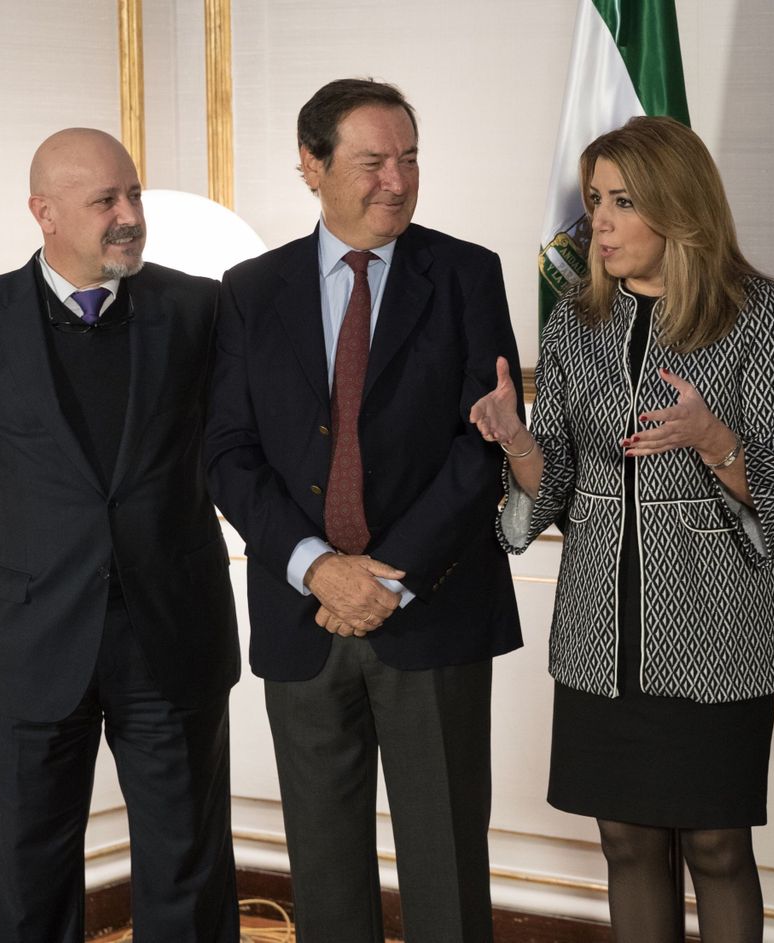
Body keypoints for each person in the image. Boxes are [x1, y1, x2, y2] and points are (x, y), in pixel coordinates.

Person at [468, 115, 774, 941]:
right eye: (595, 201)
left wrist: (710, 437)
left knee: (718, 843)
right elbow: (548, 492)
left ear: (678, 207)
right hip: (597, 631)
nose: (601, 223)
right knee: (624, 837)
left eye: (623, 202)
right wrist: (517, 442)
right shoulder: (575, 322)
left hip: (716, 628)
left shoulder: (755, 313)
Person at [205, 79, 521, 942]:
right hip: (302, 616)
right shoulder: (248, 290)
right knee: (324, 866)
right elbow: (228, 454)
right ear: (311, 165)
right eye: (373, 161)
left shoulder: (465, 273)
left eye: (409, 158)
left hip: (433, 612)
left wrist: (388, 578)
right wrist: (320, 568)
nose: (397, 180)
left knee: (447, 865)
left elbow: (485, 442)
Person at [0, 128, 239, 942]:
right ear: (45, 213)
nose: (130, 214)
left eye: (133, 193)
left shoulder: (200, 309)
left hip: (172, 628)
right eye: (106, 201)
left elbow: (228, 450)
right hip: (32, 636)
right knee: (30, 876)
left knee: (188, 868)